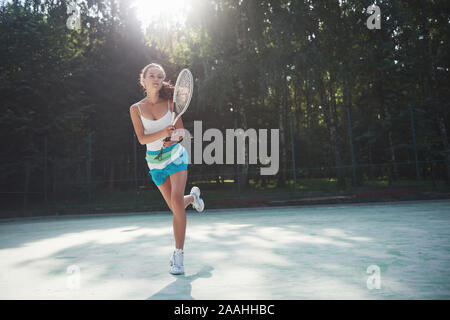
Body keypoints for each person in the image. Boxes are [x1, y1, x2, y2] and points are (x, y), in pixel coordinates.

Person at [129, 63, 204, 275]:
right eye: (151, 76)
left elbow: (180, 134)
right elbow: (143, 139)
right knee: (175, 207)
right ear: (143, 80)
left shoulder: (171, 103)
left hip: (176, 157)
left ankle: (178, 256)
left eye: (159, 76)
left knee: (177, 201)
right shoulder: (135, 109)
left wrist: (172, 140)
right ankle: (194, 198)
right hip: (155, 163)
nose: (156, 79)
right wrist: (164, 132)